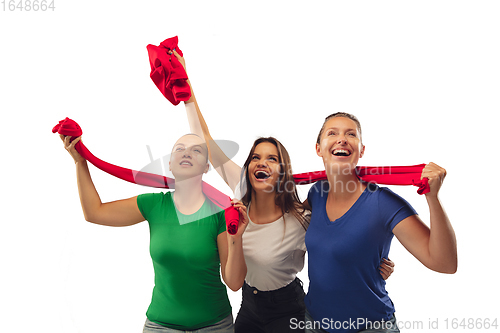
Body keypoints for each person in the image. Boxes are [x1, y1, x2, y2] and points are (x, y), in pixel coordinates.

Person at [170, 50, 395, 333]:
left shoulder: (302, 216)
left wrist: (376, 264)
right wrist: (187, 91)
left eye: (272, 158)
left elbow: (341, 241)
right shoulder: (241, 191)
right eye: (256, 157)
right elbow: (206, 141)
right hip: (249, 307)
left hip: (289, 309)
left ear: (282, 172)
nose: (262, 162)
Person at [59, 132, 249, 333]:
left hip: (215, 326)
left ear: (206, 167)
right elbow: (94, 212)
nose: (187, 153)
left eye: (197, 150)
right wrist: (81, 163)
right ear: (170, 164)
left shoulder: (221, 212)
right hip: (161, 326)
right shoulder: (153, 204)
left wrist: (236, 237)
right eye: (180, 149)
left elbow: (235, 283)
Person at [302, 113, 457, 333]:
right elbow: (285, 220)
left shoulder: (383, 203)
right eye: (332, 133)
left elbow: (444, 264)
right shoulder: (316, 192)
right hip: (314, 323)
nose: (342, 139)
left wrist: (432, 198)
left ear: (361, 150)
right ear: (318, 148)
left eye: (351, 134)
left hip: (371, 327)